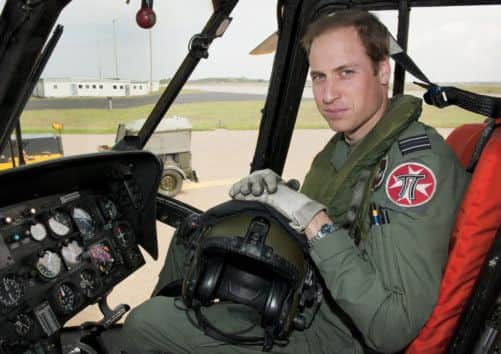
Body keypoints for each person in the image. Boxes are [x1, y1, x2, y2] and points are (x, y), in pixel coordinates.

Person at [121, 9, 470, 353]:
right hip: (310, 298)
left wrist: (311, 217)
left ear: (382, 71)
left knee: (145, 324)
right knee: (193, 235)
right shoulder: (349, 145)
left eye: (345, 73)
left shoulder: (410, 168)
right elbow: (344, 221)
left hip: (336, 336)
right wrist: (276, 195)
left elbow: (391, 327)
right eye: (319, 77)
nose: (328, 94)